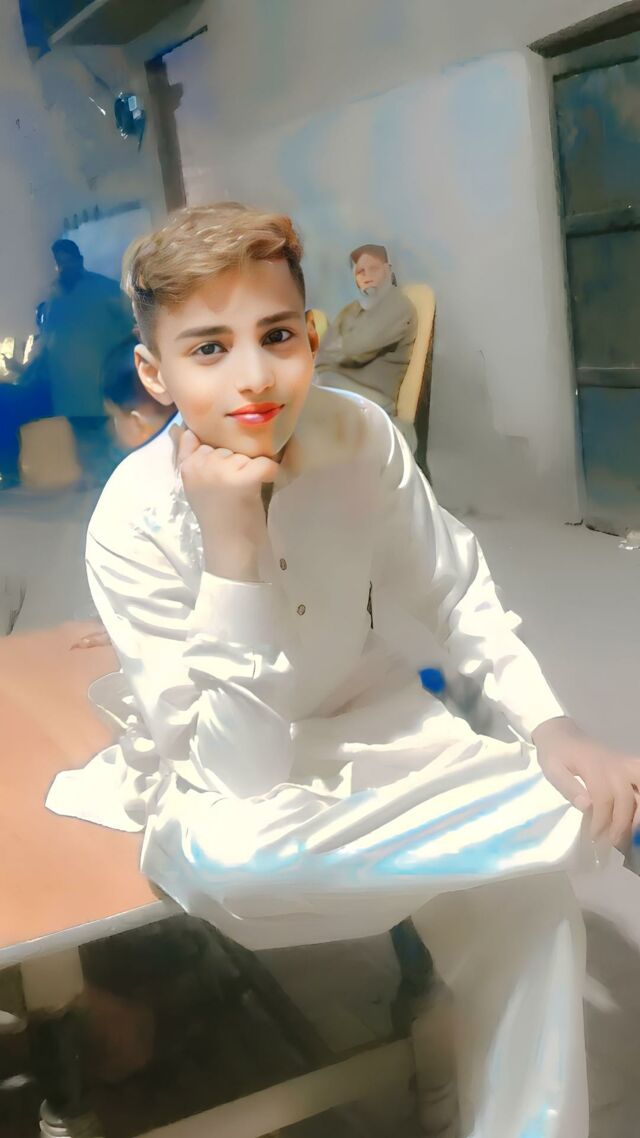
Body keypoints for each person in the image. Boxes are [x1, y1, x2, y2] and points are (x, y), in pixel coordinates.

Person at [47, 203, 640, 1137]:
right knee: (230, 862)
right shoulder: (132, 523)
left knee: (528, 903)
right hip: (233, 784)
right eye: (209, 349)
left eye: (277, 335)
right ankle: (556, 817)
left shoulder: (359, 434)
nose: (254, 375)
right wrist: (231, 548)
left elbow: (454, 591)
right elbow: (235, 774)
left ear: (311, 336)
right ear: (155, 374)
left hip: (377, 727)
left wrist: (553, 726)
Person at [42, 239, 134, 483]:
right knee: (84, 446)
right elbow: (50, 337)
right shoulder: (55, 296)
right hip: (68, 392)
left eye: (68, 260)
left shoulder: (105, 290)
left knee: (112, 442)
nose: (64, 267)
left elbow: (132, 327)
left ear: (79, 259)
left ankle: (116, 484)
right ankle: (96, 485)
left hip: (102, 388)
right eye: (59, 262)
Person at [315, 244, 418, 447]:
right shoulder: (350, 310)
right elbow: (323, 353)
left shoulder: (398, 305)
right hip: (334, 385)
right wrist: (342, 347)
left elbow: (355, 350)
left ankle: (396, 432)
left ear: (388, 270)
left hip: (373, 397)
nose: (367, 276)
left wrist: (342, 345)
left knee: (308, 389)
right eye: (361, 271)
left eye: (374, 269)